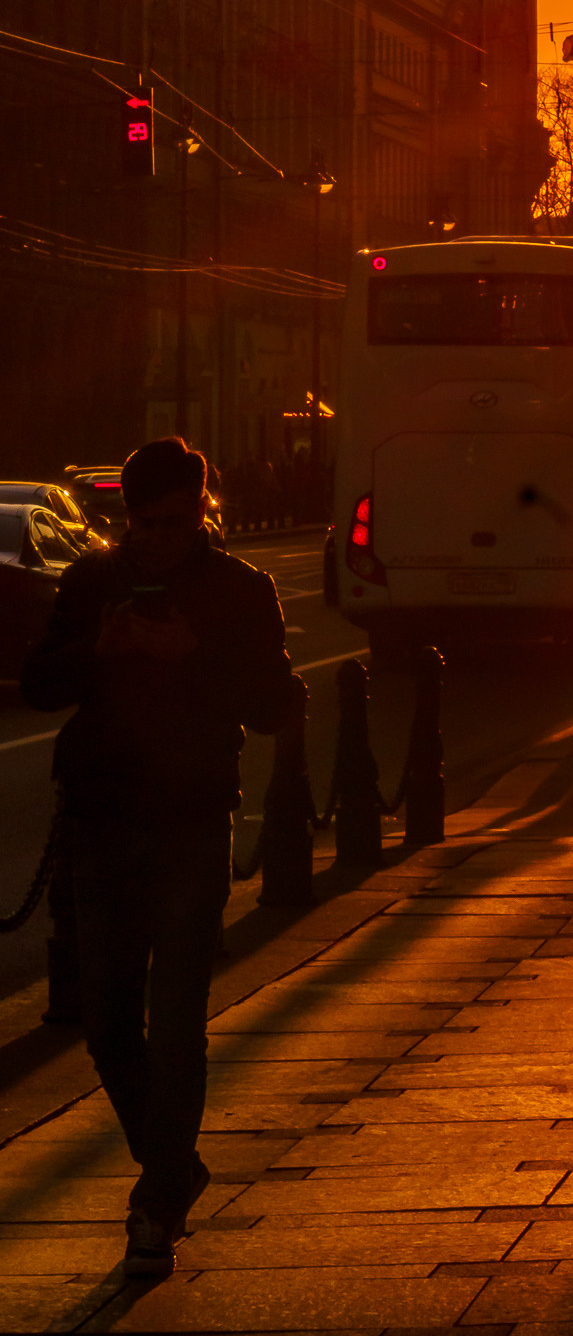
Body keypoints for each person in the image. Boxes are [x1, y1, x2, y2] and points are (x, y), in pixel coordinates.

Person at [19, 438, 295, 1278]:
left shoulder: (239, 591)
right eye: (142, 526)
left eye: (173, 524)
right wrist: (96, 652)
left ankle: (156, 1206)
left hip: (190, 824)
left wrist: (193, 657)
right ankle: (173, 1167)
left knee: (175, 1021)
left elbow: (280, 703)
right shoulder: (92, 581)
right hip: (102, 819)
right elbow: (38, 684)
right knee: (106, 1022)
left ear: (201, 512)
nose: (156, 541)